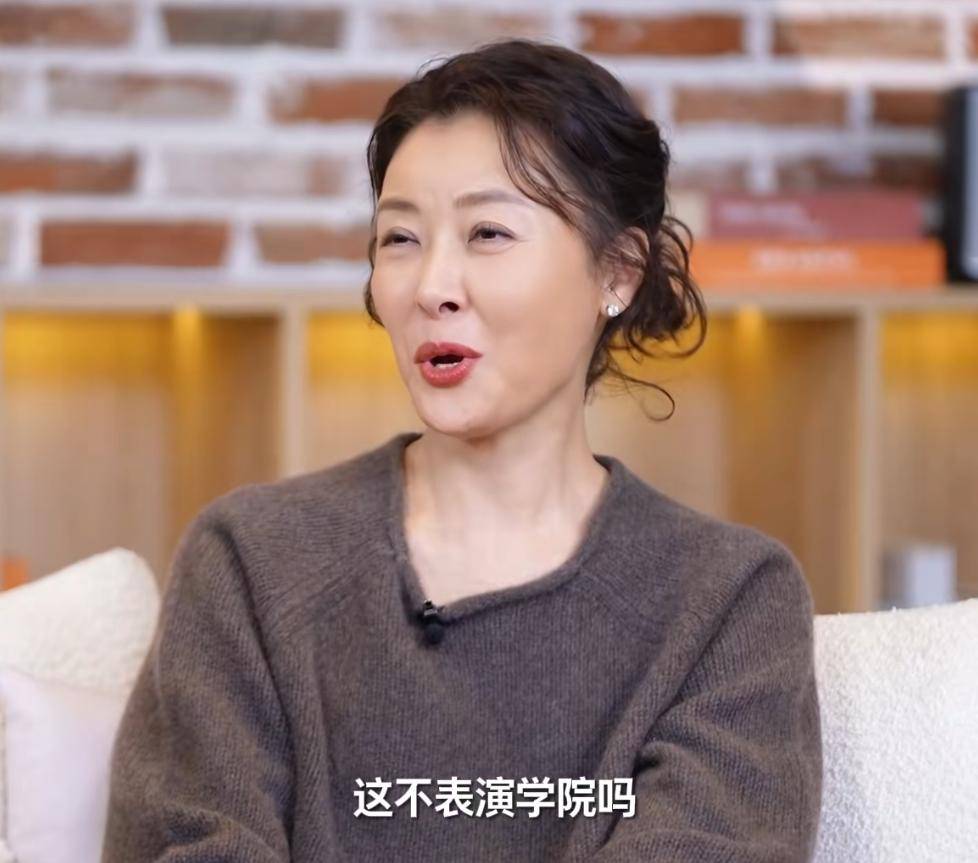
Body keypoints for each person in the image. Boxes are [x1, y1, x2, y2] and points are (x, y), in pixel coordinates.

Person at [102, 38, 823, 862]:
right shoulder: (250, 560)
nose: (431, 286)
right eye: (399, 239)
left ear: (618, 271)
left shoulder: (729, 599)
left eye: (487, 232)